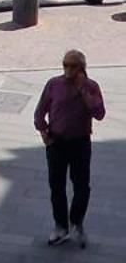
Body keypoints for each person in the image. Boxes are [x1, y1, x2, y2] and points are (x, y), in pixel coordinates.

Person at [34, 47, 106, 246]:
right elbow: (40, 111)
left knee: (82, 186)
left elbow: (99, 113)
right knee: (56, 186)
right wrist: (43, 133)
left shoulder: (91, 86)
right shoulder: (54, 84)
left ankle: (76, 222)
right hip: (57, 142)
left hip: (80, 143)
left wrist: (83, 90)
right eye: (65, 65)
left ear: (81, 68)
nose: (68, 70)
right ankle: (60, 226)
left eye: (72, 66)